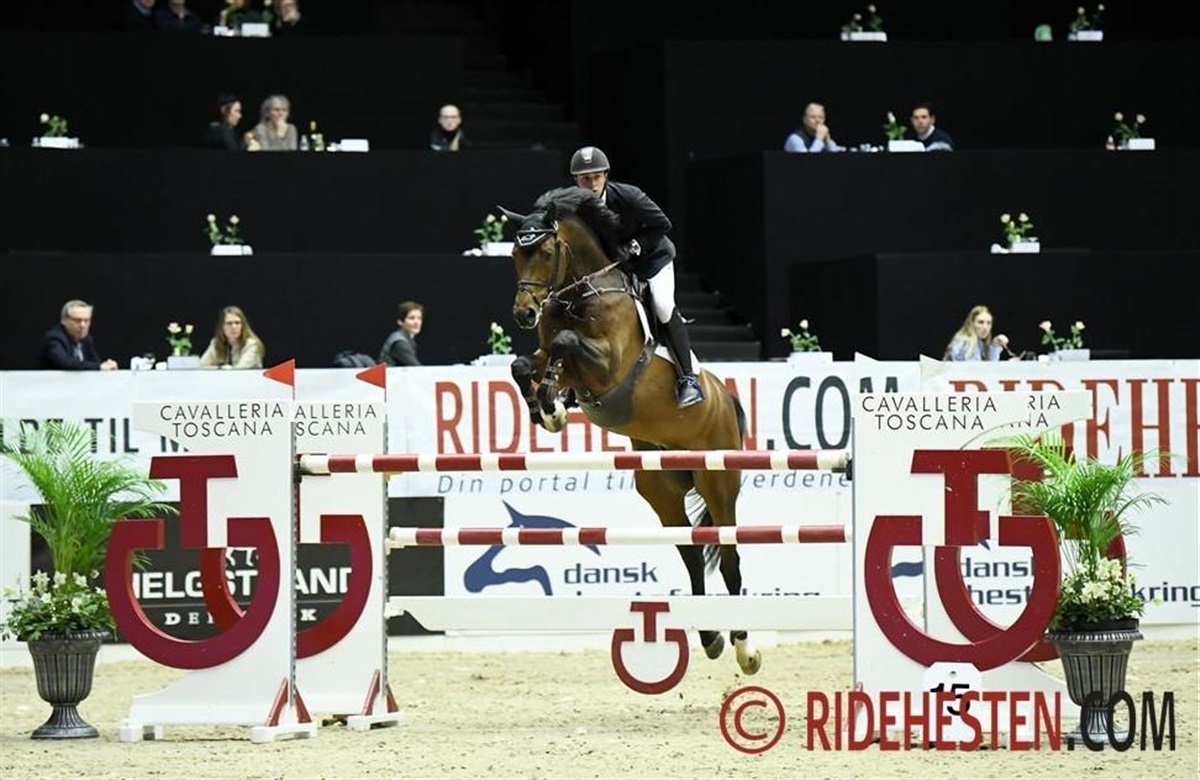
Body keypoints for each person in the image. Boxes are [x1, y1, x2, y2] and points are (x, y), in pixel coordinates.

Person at [569, 145, 704, 408]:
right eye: (585, 179)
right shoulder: (575, 207)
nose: (592, 185)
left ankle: (688, 379)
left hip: (652, 260)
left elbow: (662, 224)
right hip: (617, 267)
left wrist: (634, 246)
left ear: (606, 176)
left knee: (662, 305)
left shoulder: (629, 196)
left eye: (596, 177)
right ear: (576, 180)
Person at [41, 300, 118, 371]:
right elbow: (64, 362)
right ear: (64, 320)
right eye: (77, 320)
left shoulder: (87, 339)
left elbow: (95, 362)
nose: (82, 325)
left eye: (86, 320)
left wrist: (107, 365)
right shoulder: (54, 338)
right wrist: (99, 367)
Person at [199, 306, 266, 369]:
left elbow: (239, 369)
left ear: (242, 326)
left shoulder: (252, 345)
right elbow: (201, 366)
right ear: (222, 327)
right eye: (229, 323)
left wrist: (219, 368)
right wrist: (219, 368)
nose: (234, 327)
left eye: (237, 323)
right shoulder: (216, 343)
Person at [944, 305, 1009, 361]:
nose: (985, 327)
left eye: (989, 323)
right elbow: (976, 369)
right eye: (980, 322)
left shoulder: (979, 343)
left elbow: (990, 365)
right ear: (971, 323)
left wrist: (995, 345)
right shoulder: (965, 342)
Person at [378, 301, 424, 366]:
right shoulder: (399, 343)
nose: (417, 322)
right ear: (400, 321)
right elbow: (417, 368)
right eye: (411, 318)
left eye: (419, 318)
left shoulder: (407, 340)